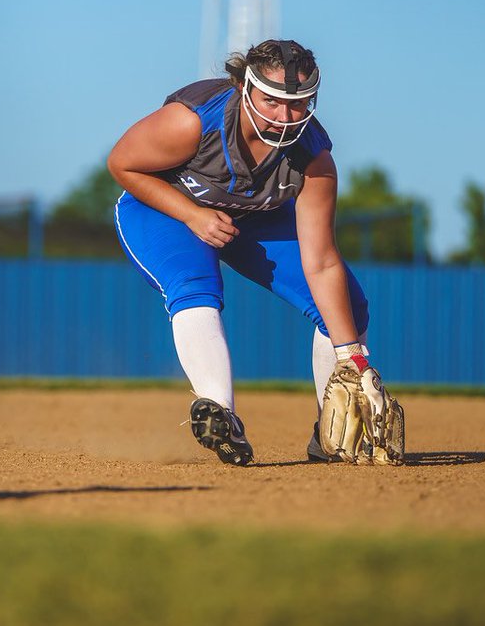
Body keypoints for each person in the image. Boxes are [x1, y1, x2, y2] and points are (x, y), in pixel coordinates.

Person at [107, 39, 403, 467]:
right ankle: (219, 414)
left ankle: (330, 434)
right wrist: (192, 215)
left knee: (348, 308)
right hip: (166, 208)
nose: (284, 116)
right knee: (195, 286)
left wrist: (352, 358)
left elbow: (322, 263)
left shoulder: (313, 160)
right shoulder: (193, 121)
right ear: (245, 88)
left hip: (254, 219)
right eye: (272, 101)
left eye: (298, 104)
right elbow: (123, 163)